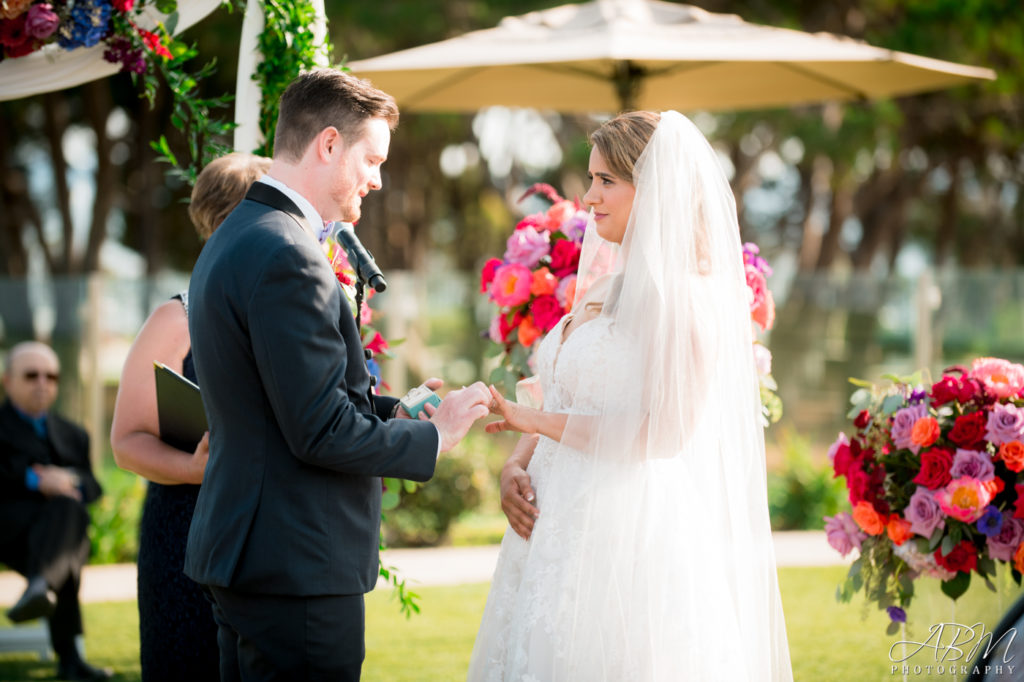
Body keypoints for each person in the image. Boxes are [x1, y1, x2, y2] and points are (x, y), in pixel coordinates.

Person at [184, 67, 490, 681]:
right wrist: (437, 434)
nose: (377, 181)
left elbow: (286, 401)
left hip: (251, 552)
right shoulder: (288, 256)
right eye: (372, 160)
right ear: (328, 144)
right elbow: (319, 432)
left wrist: (391, 411)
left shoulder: (240, 233)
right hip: (296, 562)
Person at [469, 111, 793, 681]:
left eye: (606, 181)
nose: (589, 197)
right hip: (549, 530)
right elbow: (565, 392)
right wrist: (515, 465)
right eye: (591, 179)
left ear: (657, 189)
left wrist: (532, 421)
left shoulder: (685, 302)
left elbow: (663, 434)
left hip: (625, 534)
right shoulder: (606, 286)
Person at [110, 152, 272, 682]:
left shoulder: (278, 310)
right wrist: (193, 469)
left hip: (267, 533)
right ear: (232, 220)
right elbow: (126, 441)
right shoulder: (174, 318)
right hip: (185, 533)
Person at [0, 342, 112, 681]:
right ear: (7, 381)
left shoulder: (73, 434)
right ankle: (69, 660)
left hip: (52, 533)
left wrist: (69, 480)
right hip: (9, 530)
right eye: (31, 375)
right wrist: (35, 480)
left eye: (51, 376)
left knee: (69, 511)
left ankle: (41, 586)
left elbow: (93, 486)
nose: (42, 383)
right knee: (70, 541)